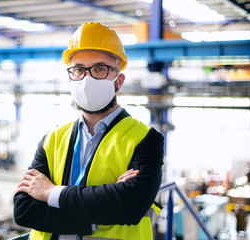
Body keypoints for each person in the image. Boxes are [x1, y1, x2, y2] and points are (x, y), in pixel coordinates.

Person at [14, 22, 164, 240]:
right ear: (70, 78)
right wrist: (100, 209)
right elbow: (24, 210)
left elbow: (130, 206)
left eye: (99, 69)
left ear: (119, 80)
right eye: (78, 69)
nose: (87, 79)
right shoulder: (52, 139)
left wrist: (50, 192)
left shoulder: (145, 140)